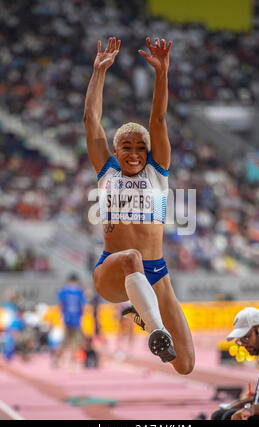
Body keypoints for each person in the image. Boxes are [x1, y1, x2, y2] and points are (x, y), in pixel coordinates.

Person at [83, 36, 195, 374]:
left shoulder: (157, 173)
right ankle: (156, 329)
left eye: (140, 148)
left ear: (148, 153)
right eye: (126, 147)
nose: (133, 153)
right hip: (113, 270)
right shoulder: (106, 172)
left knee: (186, 365)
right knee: (133, 257)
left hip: (156, 271)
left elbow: (158, 121)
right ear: (115, 152)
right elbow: (91, 119)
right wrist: (99, 72)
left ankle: (146, 315)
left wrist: (162, 73)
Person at [54, 273, 86, 368]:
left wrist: (61, 316)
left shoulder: (64, 290)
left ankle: (57, 362)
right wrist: (81, 317)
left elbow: (60, 304)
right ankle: (73, 364)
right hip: (76, 319)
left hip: (67, 318)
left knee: (64, 343)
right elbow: (82, 305)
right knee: (75, 343)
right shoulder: (79, 291)